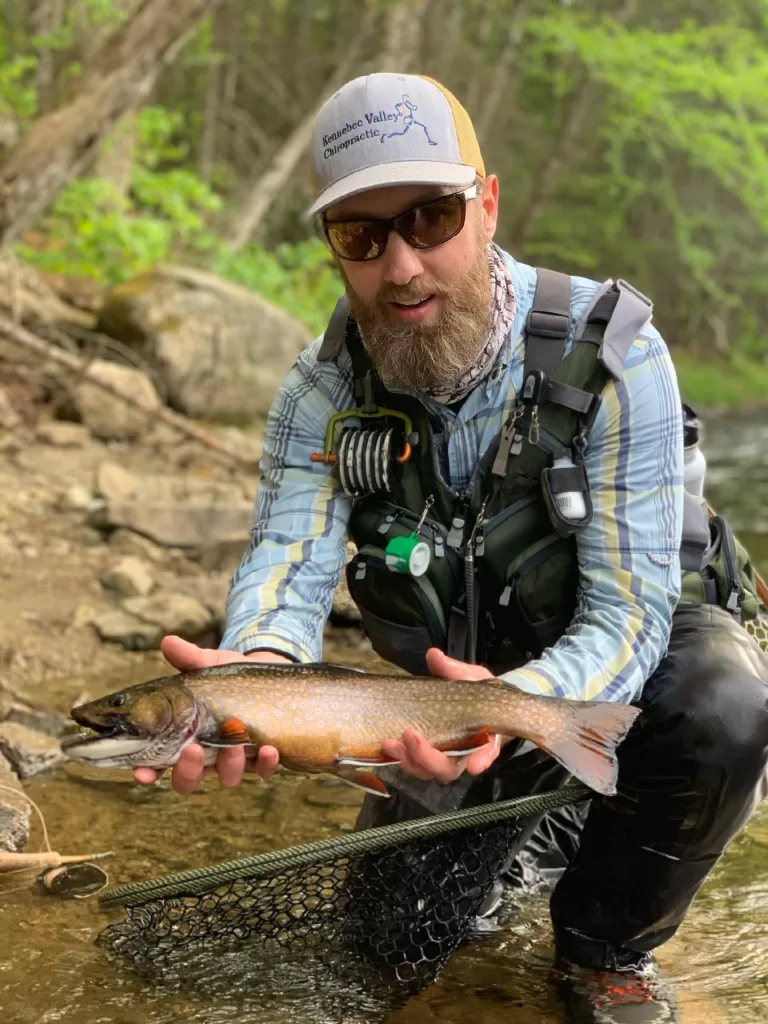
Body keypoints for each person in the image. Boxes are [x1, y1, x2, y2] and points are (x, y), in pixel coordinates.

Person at [135, 73, 768, 1022]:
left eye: (431, 217)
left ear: (488, 204)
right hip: (431, 714)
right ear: (334, 249)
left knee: (725, 701)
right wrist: (259, 680)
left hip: (616, 690)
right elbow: (287, 570)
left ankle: (607, 952)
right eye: (363, 234)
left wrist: (513, 711)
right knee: (377, 953)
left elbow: (631, 618)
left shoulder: (614, 357)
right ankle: (539, 824)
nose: (401, 266)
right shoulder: (317, 395)